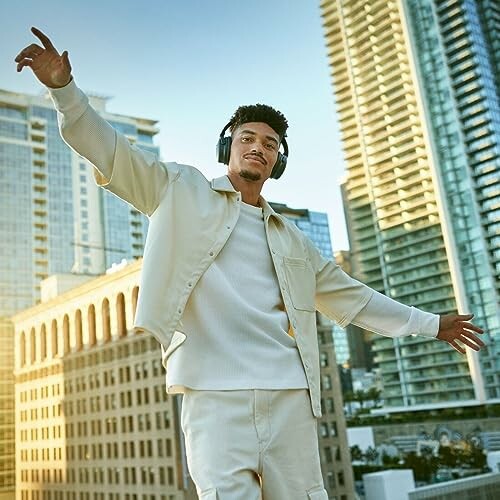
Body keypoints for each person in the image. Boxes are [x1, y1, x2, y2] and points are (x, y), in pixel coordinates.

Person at [16, 27, 485, 500]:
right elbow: (112, 152)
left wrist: (431, 324)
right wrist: (64, 92)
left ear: (277, 161)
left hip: (289, 396)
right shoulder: (179, 190)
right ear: (230, 146)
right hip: (211, 394)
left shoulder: (293, 240)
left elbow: (354, 298)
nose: (259, 146)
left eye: (271, 143)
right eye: (248, 137)